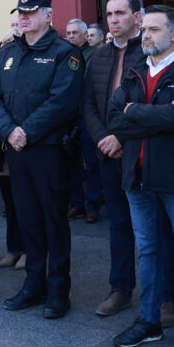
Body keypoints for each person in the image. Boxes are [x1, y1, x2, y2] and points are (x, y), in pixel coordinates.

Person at [107, 5, 174, 347]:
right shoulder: (135, 72)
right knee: (147, 251)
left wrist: (135, 111)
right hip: (138, 179)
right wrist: (148, 115)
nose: (145, 34)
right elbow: (114, 119)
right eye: (144, 28)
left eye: (153, 29)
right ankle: (148, 321)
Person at [83, 0, 174, 324]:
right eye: (109, 14)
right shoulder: (98, 56)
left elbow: (154, 107)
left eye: (121, 13)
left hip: (144, 151)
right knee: (120, 226)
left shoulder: (152, 52)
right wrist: (103, 138)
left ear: (137, 18)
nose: (113, 20)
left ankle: (170, 297)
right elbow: (88, 104)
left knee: (160, 228)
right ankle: (121, 289)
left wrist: (121, 137)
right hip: (108, 154)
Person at [0, 0, 83, 320]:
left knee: (53, 220)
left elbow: (62, 101)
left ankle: (58, 291)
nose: (24, 17)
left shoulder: (64, 53)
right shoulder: (9, 52)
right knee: (26, 218)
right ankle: (33, 284)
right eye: (21, 12)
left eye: (32, 11)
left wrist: (25, 131)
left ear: (48, 15)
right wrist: (8, 130)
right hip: (16, 148)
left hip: (49, 150)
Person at [65, 18, 103, 224]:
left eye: (74, 33)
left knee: (92, 161)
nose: (70, 36)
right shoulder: (63, 53)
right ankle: (77, 202)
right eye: (68, 33)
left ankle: (92, 204)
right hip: (69, 115)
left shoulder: (95, 54)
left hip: (88, 114)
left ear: (85, 34)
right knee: (72, 162)